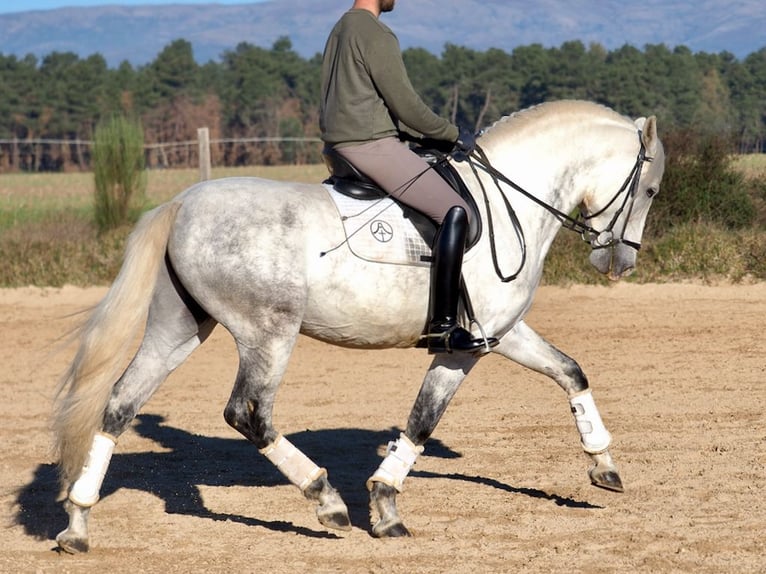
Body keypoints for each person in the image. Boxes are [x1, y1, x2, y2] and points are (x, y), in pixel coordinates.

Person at [320, 0, 498, 353]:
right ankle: (443, 326)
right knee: (454, 210)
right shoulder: (376, 33)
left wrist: (416, 137)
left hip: (339, 146)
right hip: (369, 146)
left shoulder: (340, 28)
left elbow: (367, 103)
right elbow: (407, 105)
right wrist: (451, 134)